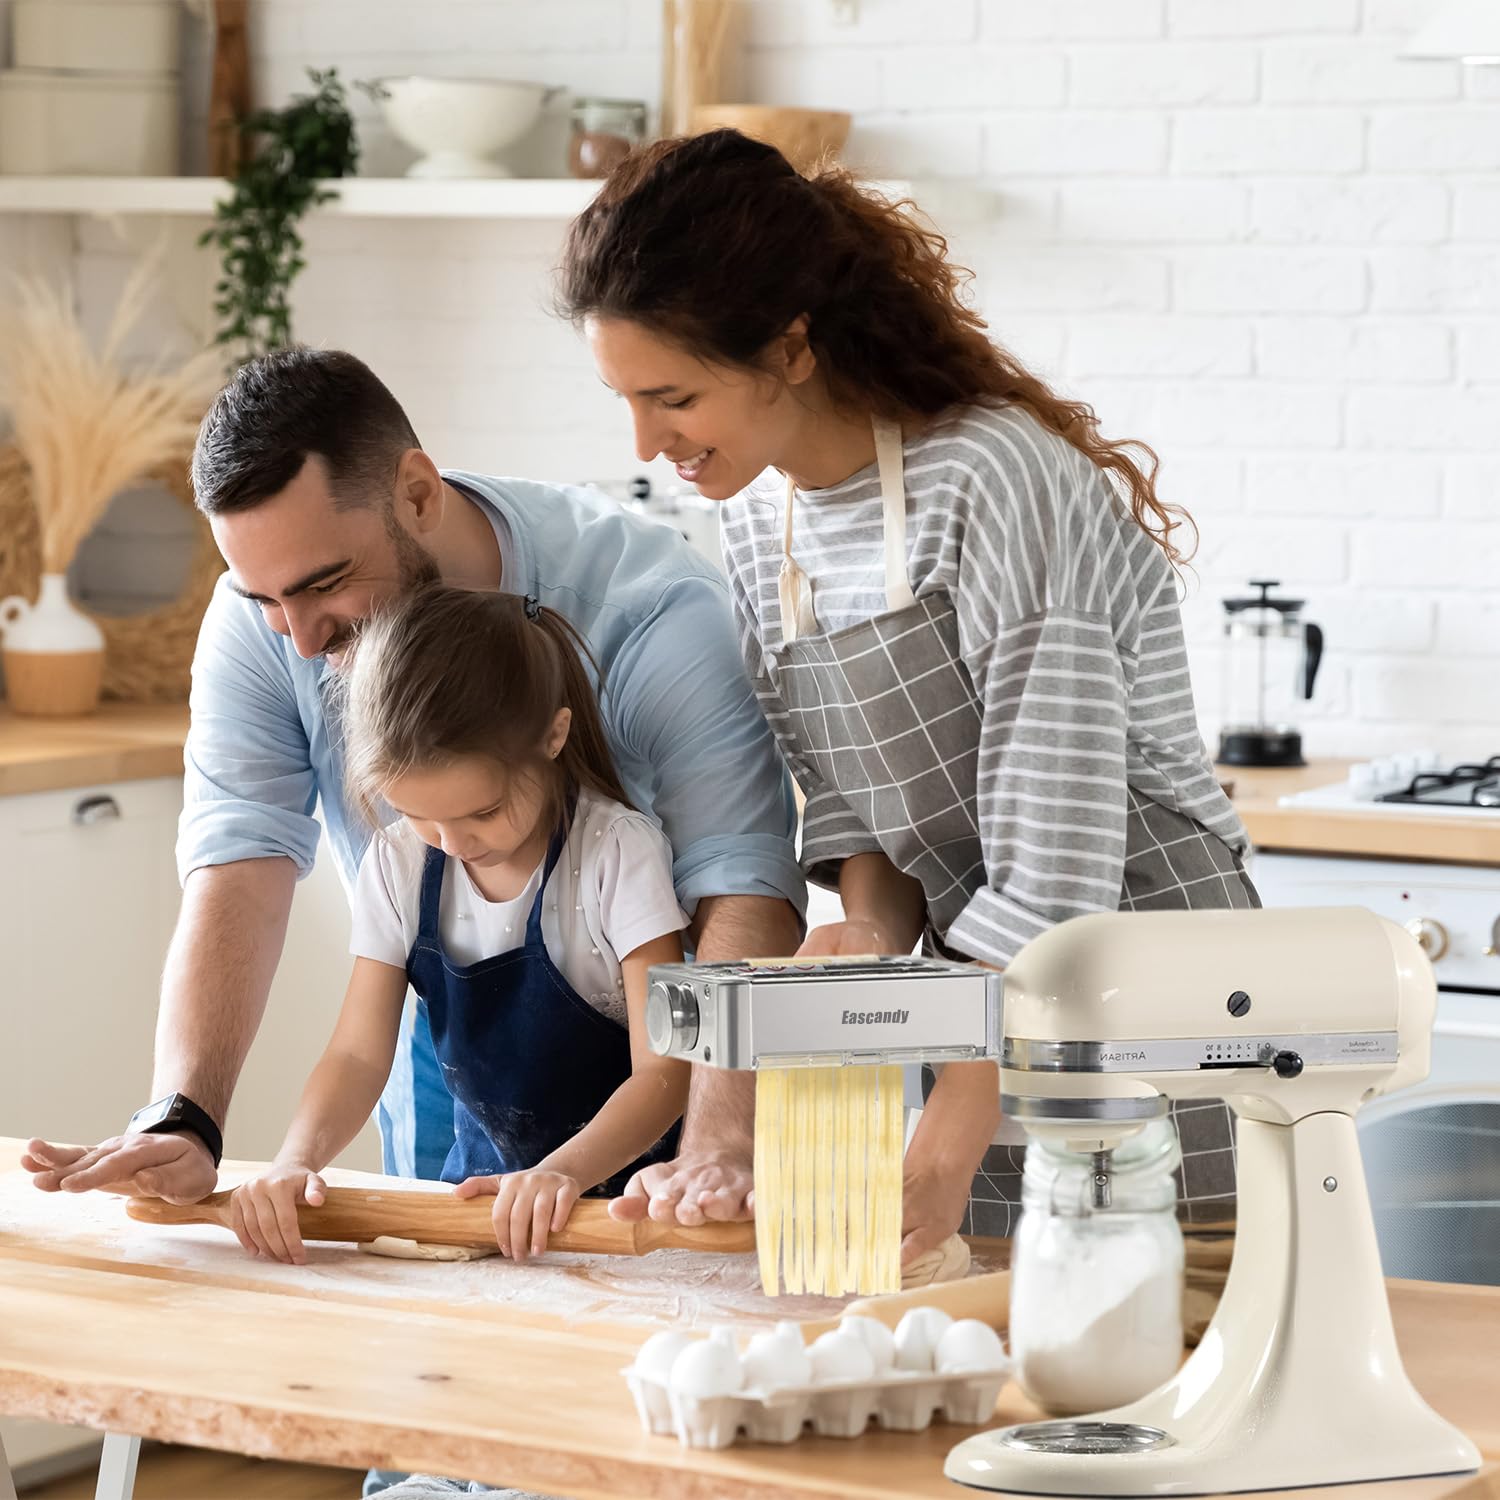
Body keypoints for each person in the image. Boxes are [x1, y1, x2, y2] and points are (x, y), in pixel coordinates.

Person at [559, 129, 1259, 1251]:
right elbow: (858, 815)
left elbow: (1060, 854)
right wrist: (869, 936)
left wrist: (941, 1144)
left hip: (1147, 966)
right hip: (969, 1006)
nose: (647, 441)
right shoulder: (762, 524)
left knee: (1160, 1323)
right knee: (995, 1329)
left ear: (790, 348)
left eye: (673, 396)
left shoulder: (994, 475)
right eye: (625, 399)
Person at [23, 347, 802, 1231]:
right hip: (444, 1045)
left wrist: (716, 1139)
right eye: (265, 600)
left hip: (685, 1056)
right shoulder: (271, 625)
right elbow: (239, 859)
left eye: (324, 585)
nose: (300, 641)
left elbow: (741, 892)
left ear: (419, 495)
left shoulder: (652, 610)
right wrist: (186, 1115)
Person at [231, 585, 690, 1265]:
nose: (452, 842)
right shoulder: (398, 863)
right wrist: (295, 1161)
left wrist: (560, 1174)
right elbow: (357, 1055)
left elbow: (667, 1069)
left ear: (554, 735)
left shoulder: (618, 853)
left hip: (632, 1213)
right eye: (419, 814)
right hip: (481, 1209)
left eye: (483, 812)